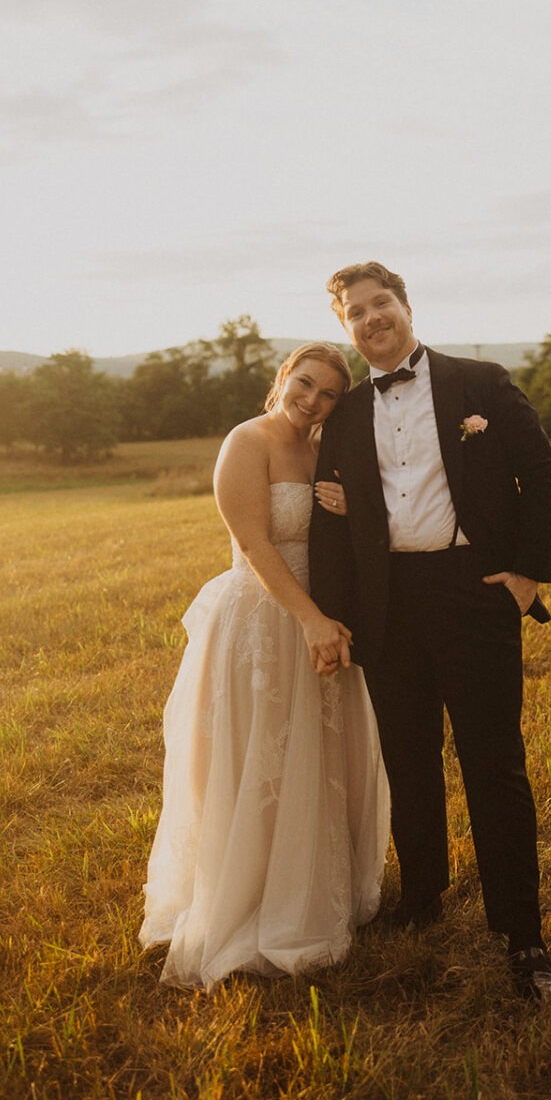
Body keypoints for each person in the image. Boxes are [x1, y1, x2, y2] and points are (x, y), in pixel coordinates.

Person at [308, 263, 551, 1001]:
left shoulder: (480, 382)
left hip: (474, 593)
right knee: (409, 764)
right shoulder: (346, 415)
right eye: (354, 312)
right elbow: (330, 534)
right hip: (389, 606)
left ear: (406, 307)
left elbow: (542, 476)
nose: (370, 318)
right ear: (345, 329)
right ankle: (423, 900)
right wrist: (337, 616)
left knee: (494, 766)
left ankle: (522, 933)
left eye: (379, 303)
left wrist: (524, 574)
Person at [140, 343, 390, 990]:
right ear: (283, 377)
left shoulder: (324, 448)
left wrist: (346, 508)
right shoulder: (246, 442)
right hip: (264, 620)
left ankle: (312, 888)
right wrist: (308, 619)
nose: (311, 399)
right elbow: (253, 543)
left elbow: (356, 527)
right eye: (304, 384)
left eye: (328, 393)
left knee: (322, 758)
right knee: (260, 758)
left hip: (326, 621)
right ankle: (249, 898)